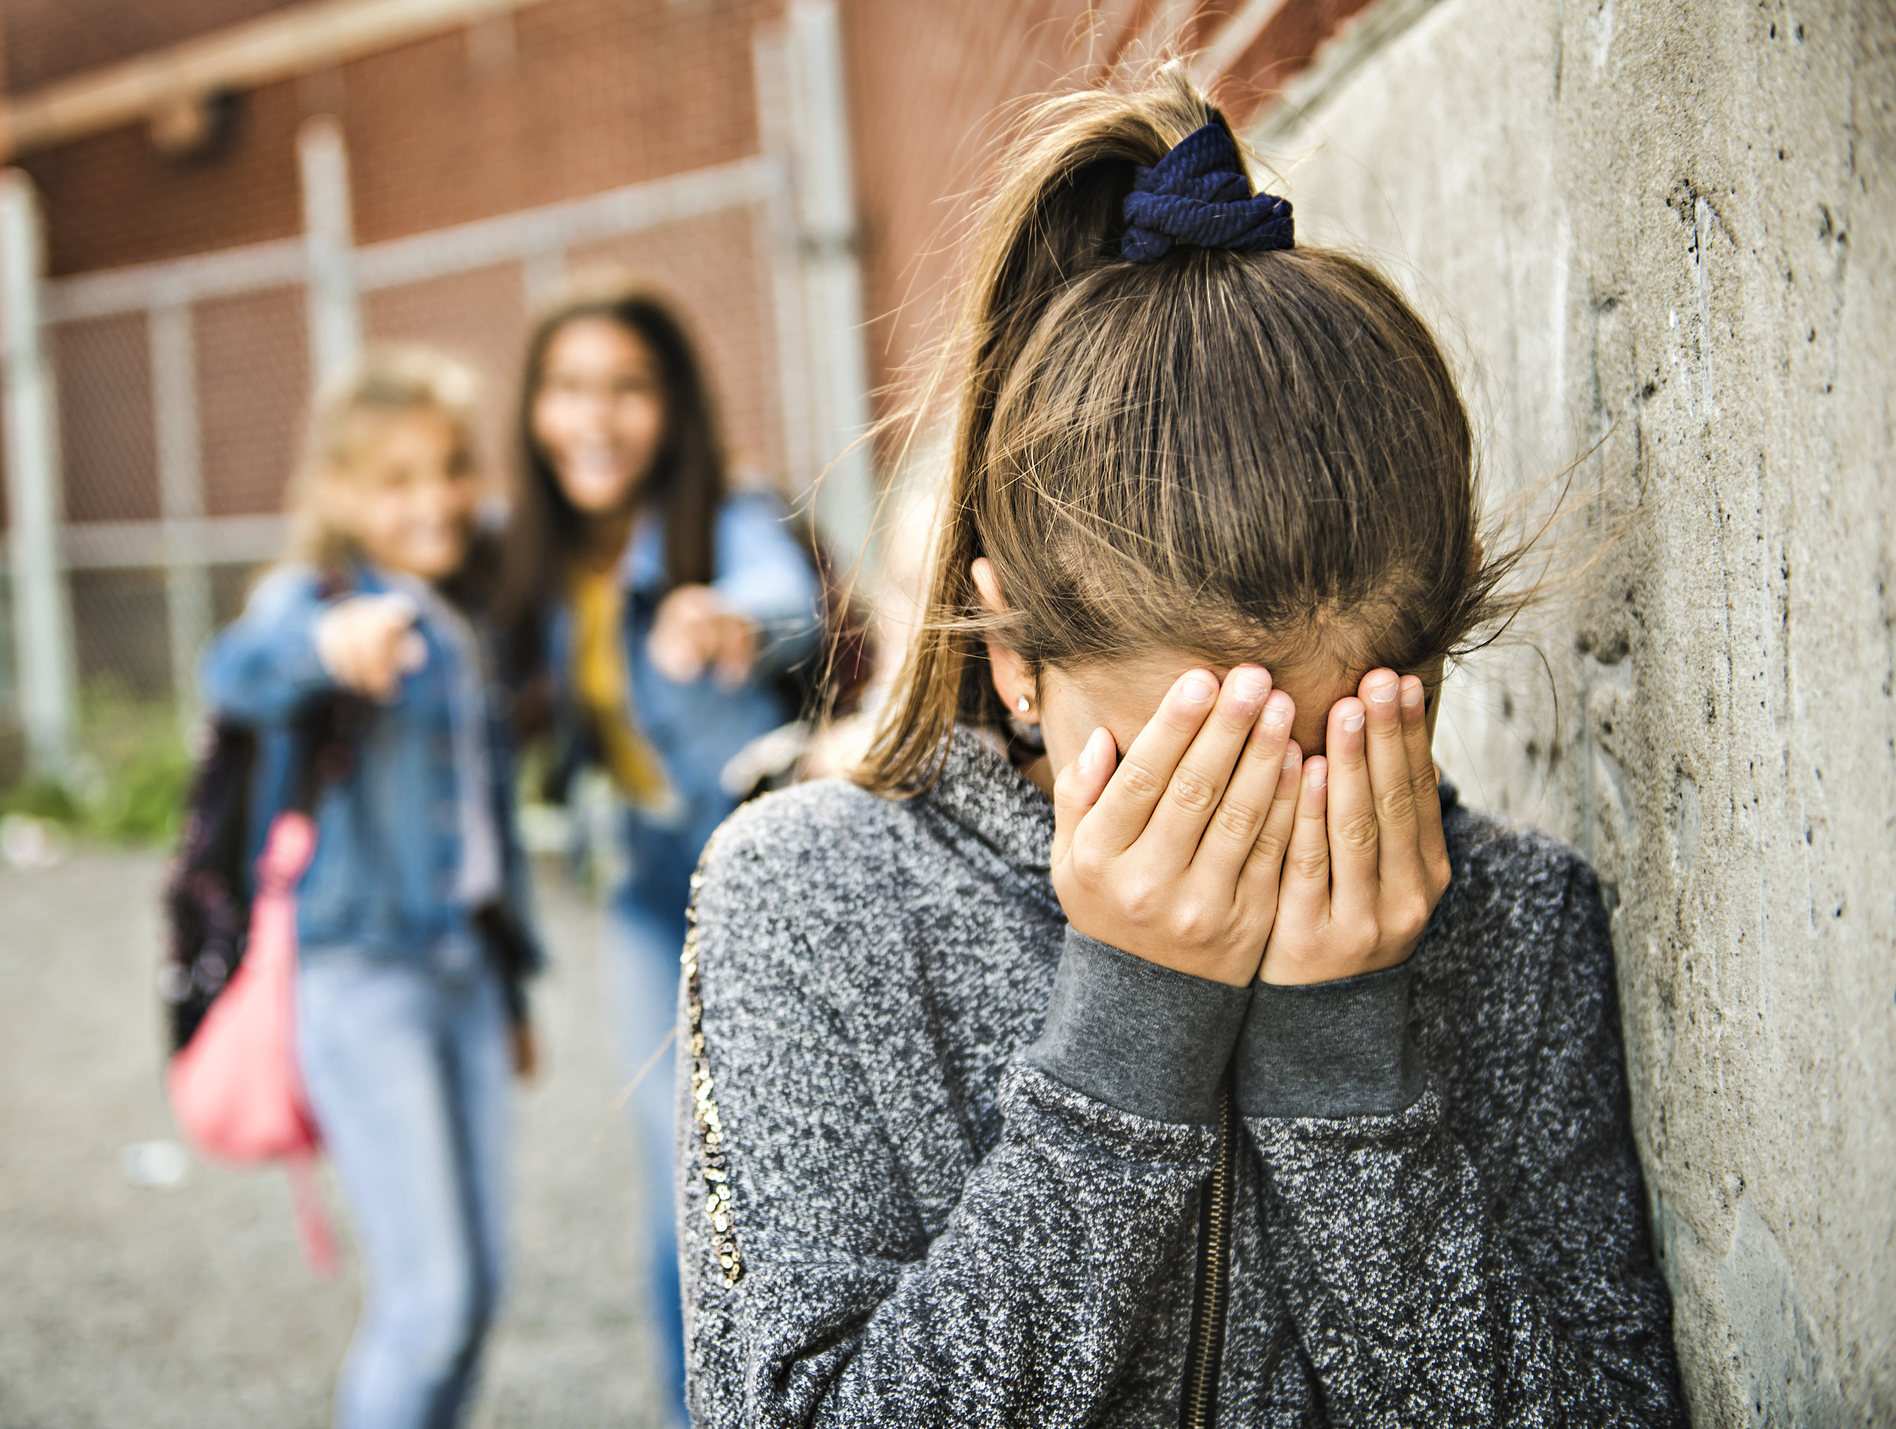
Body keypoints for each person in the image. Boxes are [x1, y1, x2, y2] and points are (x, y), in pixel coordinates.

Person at [675, 69, 1686, 1427]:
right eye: (1186, 770)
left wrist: (1348, 1080)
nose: (1257, 832)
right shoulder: (807, 899)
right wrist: (1125, 1049)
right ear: (1018, 660)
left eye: (1326, 753)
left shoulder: (1518, 923)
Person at [495, 280, 820, 1425]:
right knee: (678, 1171)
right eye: (570, 387)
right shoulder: (533, 556)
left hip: (768, 898)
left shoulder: (722, 515)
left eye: (628, 389)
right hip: (644, 900)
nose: (596, 416)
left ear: (672, 408)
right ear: (535, 410)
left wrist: (726, 616)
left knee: (794, 1175)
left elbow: (787, 600)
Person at [201, 348, 539, 1429]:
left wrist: (516, 988)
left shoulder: (463, 609)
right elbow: (240, 669)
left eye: (449, 468)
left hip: (468, 980)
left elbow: (492, 828)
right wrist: (327, 643)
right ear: (339, 491)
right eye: (395, 478)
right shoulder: (318, 599)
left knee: (479, 1292)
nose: (434, 498)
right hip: (361, 976)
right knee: (430, 1302)